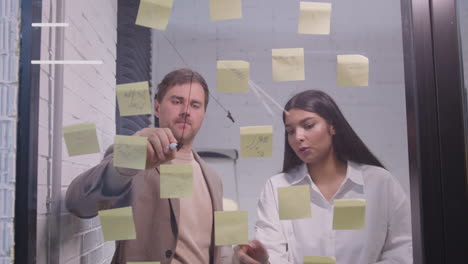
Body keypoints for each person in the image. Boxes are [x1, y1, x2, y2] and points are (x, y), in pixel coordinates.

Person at [66, 68, 231, 264]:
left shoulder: (213, 178)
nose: (186, 111)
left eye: (195, 105)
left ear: (203, 114)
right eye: (177, 101)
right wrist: (130, 157)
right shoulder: (135, 160)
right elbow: (78, 203)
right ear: (157, 107)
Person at [234, 90, 412, 264]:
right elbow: (272, 251)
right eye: (290, 131)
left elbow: (403, 248)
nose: (298, 137)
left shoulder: (379, 183)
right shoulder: (278, 187)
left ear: (332, 126)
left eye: (308, 126)